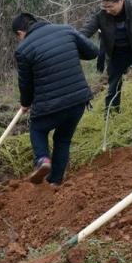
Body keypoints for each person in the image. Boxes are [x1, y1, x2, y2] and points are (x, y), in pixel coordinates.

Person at [13, 13, 99, 186]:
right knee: (63, 139)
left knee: (37, 129)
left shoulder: (23, 49)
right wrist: (69, 50)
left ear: (20, 32)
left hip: (50, 105)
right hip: (77, 100)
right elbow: (92, 52)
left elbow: (26, 83)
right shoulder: (66, 30)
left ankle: (43, 160)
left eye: (18, 37)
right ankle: (55, 181)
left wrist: (26, 103)